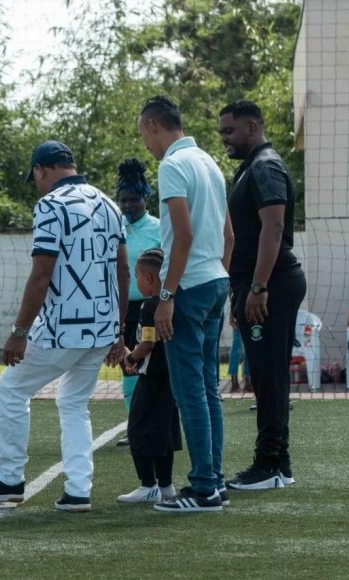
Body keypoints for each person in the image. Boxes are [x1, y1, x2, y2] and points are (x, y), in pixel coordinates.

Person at [0, 140, 129, 513]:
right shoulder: (108, 204)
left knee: (11, 390)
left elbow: (41, 275)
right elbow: (122, 270)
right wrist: (119, 331)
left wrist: (19, 333)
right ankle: (78, 491)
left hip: (62, 329)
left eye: (33, 177)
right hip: (101, 329)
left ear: (41, 169)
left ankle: (8, 479)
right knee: (73, 403)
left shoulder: (51, 206)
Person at [137, 96, 233, 513]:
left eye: (144, 134)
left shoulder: (173, 166)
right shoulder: (210, 163)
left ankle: (204, 488)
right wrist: (219, 277)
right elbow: (228, 235)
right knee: (208, 389)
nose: (145, 144)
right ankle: (215, 480)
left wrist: (167, 295)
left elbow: (184, 234)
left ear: (155, 125)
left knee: (189, 391)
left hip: (190, 288)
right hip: (215, 281)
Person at [218, 99, 307, 490]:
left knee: (269, 377)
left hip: (272, 285)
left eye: (229, 131)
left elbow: (273, 229)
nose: (224, 139)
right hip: (255, 287)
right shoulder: (248, 168)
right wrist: (240, 293)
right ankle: (277, 463)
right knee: (265, 375)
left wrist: (257, 288)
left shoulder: (265, 165)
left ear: (252, 127)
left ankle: (271, 464)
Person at [118, 248, 183, 504]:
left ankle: (148, 484)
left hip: (152, 377)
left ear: (147, 278)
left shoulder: (150, 307)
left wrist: (130, 358)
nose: (136, 281)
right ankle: (166, 485)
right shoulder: (172, 302)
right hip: (172, 377)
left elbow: (147, 344)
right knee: (165, 431)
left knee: (138, 428)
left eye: (136, 276)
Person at [115, 158, 160, 446]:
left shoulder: (158, 228)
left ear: (145, 199)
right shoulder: (113, 226)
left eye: (134, 200)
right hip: (122, 309)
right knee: (127, 364)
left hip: (151, 309)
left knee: (148, 365)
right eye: (123, 201)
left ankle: (151, 424)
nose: (129, 206)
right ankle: (137, 425)